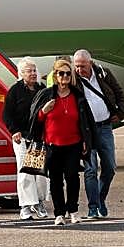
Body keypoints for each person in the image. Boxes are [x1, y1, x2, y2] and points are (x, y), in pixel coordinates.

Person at [29, 56, 94, 226]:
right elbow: (35, 120)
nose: (64, 77)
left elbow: (86, 120)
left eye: (67, 73)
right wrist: (44, 110)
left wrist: (87, 140)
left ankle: (72, 210)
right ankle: (59, 213)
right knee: (56, 180)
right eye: (60, 73)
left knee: (72, 177)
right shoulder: (46, 95)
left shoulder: (78, 96)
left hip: (73, 144)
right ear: (55, 75)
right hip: (52, 145)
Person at [72, 49, 124, 219]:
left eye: (82, 66)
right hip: (87, 131)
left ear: (90, 63)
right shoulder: (72, 79)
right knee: (90, 169)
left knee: (110, 167)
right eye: (77, 66)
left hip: (104, 127)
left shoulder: (103, 73)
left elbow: (120, 94)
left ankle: (100, 198)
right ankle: (93, 207)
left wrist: (120, 113)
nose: (79, 69)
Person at [3, 57, 50, 220]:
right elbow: (7, 114)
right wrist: (14, 130)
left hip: (37, 137)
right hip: (21, 137)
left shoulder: (42, 90)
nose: (33, 73)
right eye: (29, 71)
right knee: (25, 173)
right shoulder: (15, 91)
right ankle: (25, 206)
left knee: (39, 173)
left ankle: (39, 202)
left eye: (34, 70)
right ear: (21, 73)